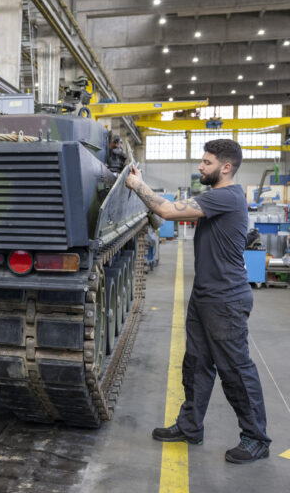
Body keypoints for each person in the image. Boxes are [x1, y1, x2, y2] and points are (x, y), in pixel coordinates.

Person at [125, 139, 271, 464]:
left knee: (235, 370)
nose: (201, 167)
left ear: (226, 167)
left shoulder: (226, 196)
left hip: (226, 300)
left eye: (207, 163)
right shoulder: (216, 197)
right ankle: (191, 426)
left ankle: (256, 437)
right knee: (195, 364)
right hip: (204, 296)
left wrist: (136, 183)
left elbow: (165, 210)